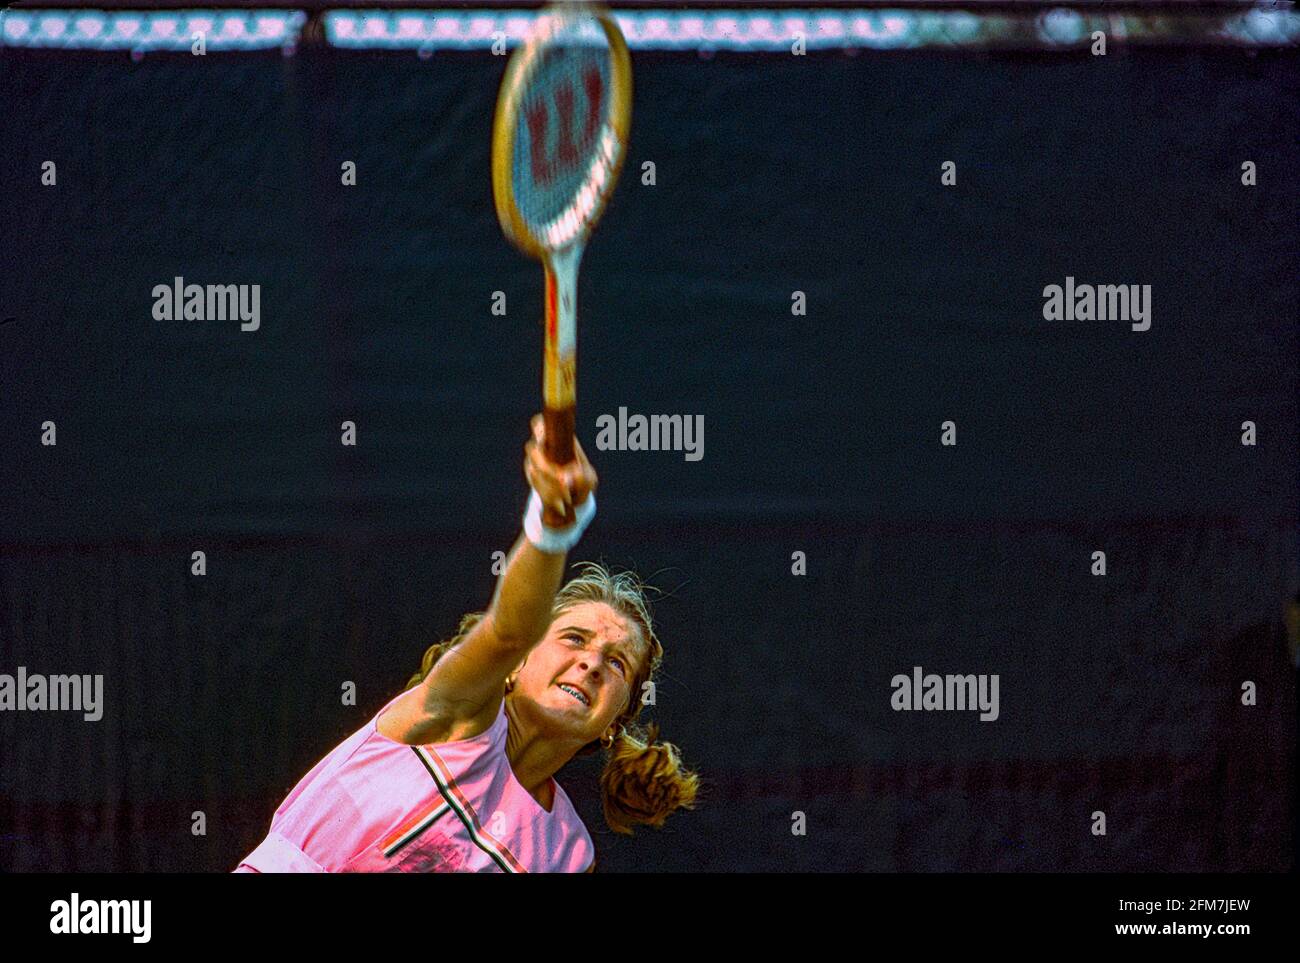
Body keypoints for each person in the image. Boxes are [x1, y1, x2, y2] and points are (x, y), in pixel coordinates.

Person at [234, 414, 699, 872]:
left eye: (617, 663)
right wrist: (553, 529)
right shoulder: (460, 712)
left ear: (615, 723)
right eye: (573, 638)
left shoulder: (568, 857)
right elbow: (507, 631)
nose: (592, 663)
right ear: (515, 665)